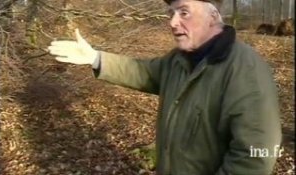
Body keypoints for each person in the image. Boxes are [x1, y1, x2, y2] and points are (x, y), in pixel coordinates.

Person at [48, 0, 282, 174]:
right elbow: (144, 72)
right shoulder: (178, 60)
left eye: (184, 12)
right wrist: (96, 58)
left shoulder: (245, 69)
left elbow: (257, 155)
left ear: (213, 15)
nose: (172, 22)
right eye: (171, 13)